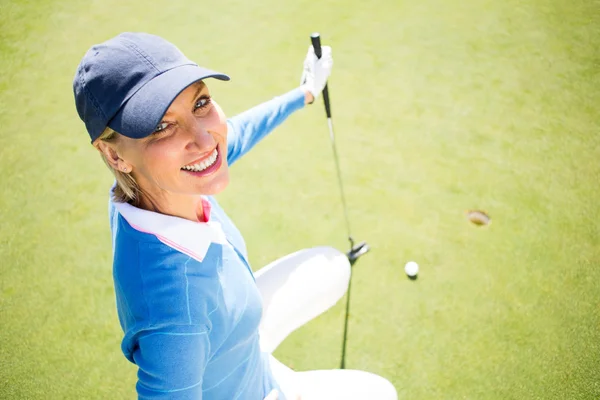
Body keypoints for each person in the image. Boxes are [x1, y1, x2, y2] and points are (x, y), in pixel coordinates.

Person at [73, 32, 397, 400]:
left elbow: (233, 134)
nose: (206, 139)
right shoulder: (175, 313)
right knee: (381, 393)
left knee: (333, 265)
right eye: (161, 126)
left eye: (200, 103)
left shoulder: (146, 187)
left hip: (237, 332)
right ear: (115, 156)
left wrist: (305, 91)